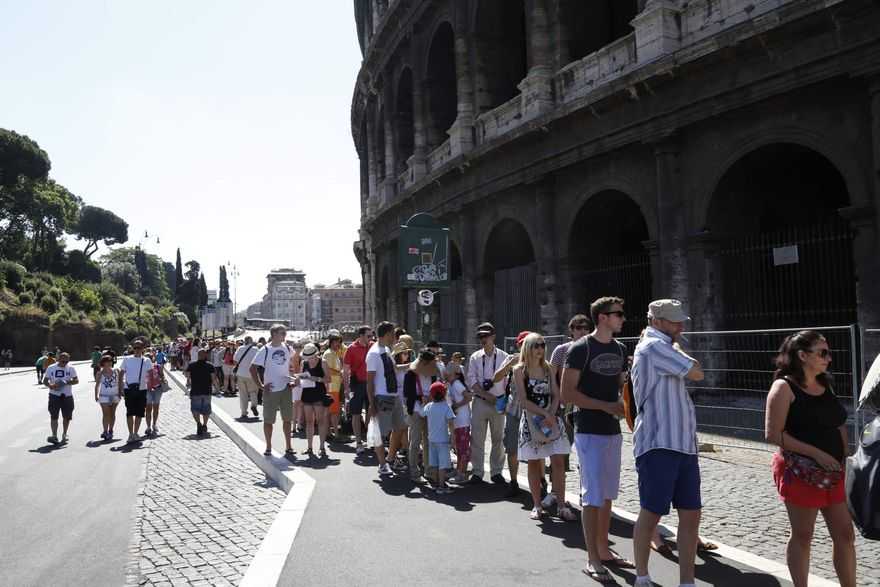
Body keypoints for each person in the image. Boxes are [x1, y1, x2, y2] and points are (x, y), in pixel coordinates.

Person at [765, 330, 856, 587]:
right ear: (802, 355)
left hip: (834, 471)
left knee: (845, 534)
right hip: (801, 472)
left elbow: (838, 422)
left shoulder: (826, 383)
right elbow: (773, 434)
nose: (828, 357)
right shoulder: (784, 387)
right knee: (804, 535)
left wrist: (844, 454)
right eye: (822, 352)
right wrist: (817, 453)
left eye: (829, 352)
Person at [630, 299, 705, 587]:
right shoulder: (654, 347)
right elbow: (697, 371)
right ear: (656, 321)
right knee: (651, 511)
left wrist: (675, 342)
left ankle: (687, 581)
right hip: (659, 442)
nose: (681, 326)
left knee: (691, 513)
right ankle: (642, 576)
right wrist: (677, 345)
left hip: (682, 443)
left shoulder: (662, 344)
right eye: (675, 321)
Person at [561, 297, 634, 581]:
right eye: (618, 314)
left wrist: (625, 398)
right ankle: (592, 558)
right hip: (588, 428)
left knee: (607, 495)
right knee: (591, 496)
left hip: (612, 430)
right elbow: (568, 394)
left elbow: (620, 386)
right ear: (602, 317)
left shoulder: (620, 348)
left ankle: (604, 550)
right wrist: (605, 406)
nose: (623, 318)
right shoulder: (581, 349)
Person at [513, 333, 574, 521]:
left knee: (558, 462)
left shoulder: (548, 368)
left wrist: (552, 413)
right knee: (533, 462)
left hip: (551, 419)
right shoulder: (519, 370)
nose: (540, 349)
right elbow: (523, 400)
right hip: (532, 420)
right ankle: (537, 505)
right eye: (536, 345)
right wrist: (545, 414)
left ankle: (561, 505)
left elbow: (556, 394)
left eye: (542, 345)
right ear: (528, 348)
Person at [465, 322, 509, 485]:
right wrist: (485, 395)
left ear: (493, 336)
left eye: (485, 335)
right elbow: (472, 380)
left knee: (498, 438)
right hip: (481, 401)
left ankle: (496, 471)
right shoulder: (475, 357)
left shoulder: (504, 356)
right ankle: (477, 471)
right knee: (477, 438)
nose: (483, 339)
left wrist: (503, 400)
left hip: (498, 401)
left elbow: (508, 380)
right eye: (480, 336)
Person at [366, 321, 407, 476]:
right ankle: (383, 464)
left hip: (393, 396)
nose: (394, 337)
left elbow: (395, 369)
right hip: (382, 397)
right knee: (379, 434)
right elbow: (369, 381)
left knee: (400, 427)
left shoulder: (386, 350)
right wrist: (372, 404)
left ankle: (390, 458)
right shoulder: (374, 353)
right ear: (387, 334)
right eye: (392, 334)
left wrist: (412, 365)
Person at [493, 331, 530, 497]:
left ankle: (541, 480)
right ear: (518, 345)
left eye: (527, 344)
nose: (524, 347)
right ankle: (513, 481)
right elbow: (496, 378)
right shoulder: (511, 358)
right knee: (512, 448)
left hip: (532, 411)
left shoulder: (539, 361)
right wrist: (510, 365)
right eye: (522, 344)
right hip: (514, 410)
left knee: (537, 449)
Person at [250, 324, 296, 457]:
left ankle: (288, 446)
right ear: (274, 334)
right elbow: (252, 368)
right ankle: (269, 446)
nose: (285, 335)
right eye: (282, 333)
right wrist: (261, 385)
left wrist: (292, 375)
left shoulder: (288, 347)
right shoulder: (265, 349)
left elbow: (291, 364)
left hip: (286, 387)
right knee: (268, 420)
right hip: (271, 390)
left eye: (285, 333)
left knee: (287, 419)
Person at [404, 349, 441, 482]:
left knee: (428, 441)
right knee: (415, 440)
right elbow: (407, 392)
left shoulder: (432, 374)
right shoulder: (411, 373)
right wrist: (420, 397)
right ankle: (414, 471)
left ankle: (429, 470)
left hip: (429, 410)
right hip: (415, 410)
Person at [344, 325, 373, 454]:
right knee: (355, 413)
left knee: (371, 411)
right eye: (368, 336)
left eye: (372, 336)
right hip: (357, 384)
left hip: (371, 384)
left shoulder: (373, 346)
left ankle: (368, 435)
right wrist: (346, 388)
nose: (371, 338)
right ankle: (358, 441)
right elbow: (345, 371)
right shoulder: (351, 349)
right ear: (361, 336)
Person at [423, 381, 456, 493]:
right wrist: (453, 438)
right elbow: (451, 423)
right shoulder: (446, 407)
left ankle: (437, 484)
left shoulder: (428, 407)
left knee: (436, 464)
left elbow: (422, 414)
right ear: (444, 394)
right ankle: (442, 486)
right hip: (443, 440)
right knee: (443, 465)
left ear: (431, 395)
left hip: (431, 439)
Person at [119, 340, 153, 444]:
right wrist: (120, 388)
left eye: (139, 347)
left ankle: (136, 433)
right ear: (133, 348)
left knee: (139, 412)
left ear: (143, 349)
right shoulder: (127, 359)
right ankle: (130, 434)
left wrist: (150, 387)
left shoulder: (147, 360)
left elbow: (150, 375)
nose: (137, 350)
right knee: (129, 413)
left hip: (142, 389)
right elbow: (121, 374)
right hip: (128, 389)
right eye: (135, 347)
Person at [299, 343, 330, 458]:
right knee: (309, 422)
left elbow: (329, 379)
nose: (310, 360)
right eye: (307, 358)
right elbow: (301, 378)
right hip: (307, 393)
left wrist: (316, 378)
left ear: (316, 354)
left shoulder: (323, 362)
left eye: (311, 357)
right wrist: (296, 381)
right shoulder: (304, 363)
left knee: (320, 421)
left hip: (319, 393)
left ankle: (322, 447)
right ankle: (309, 447)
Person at [43, 351, 78, 444]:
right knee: (54, 415)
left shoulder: (71, 368)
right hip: (54, 395)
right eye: (63, 361)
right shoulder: (51, 368)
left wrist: (66, 382)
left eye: (66, 361)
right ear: (58, 359)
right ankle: (54, 435)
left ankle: (64, 433)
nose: (65, 363)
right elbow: (45, 380)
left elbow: (76, 380)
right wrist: (51, 385)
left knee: (67, 416)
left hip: (67, 395)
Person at [446, 362, 472, 484]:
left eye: (449, 373)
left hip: (462, 420)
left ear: (456, 375)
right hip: (459, 420)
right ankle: (459, 471)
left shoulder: (456, 384)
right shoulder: (452, 383)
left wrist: (457, 405)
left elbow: (468, 397)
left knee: (462, 448)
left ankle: (461, 473)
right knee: (459, 447)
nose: (446, 375)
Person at [186, 348, 218, 437]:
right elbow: (213, 378)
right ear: (205, 355)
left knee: (195, 409)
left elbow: (187, 376)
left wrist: (189, 382)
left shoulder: (191, 365)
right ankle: (204, 424)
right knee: (206, 409)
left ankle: (198, 423)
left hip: (195, 390)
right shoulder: (210, 366)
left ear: (198, 355)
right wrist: (217, 387)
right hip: (207, 390)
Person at [323, 333, 344, 439]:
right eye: (336, 342)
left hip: (335, 386)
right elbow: (328, 369)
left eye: (339, 342)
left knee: (331, 412)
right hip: (332, 386)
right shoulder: (329, 354)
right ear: (330, 342)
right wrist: (340, 372)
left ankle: (329, 433)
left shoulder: (334, 353)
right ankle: (336, 434)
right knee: (334, 412)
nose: (338, 344)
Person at [94, 355, 120, 440]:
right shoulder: (99, 373)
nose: (109, 363)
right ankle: (105, 431)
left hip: (115, 395)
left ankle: (111, 430)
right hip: (104, 396)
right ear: (103, 363)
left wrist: (120, 392)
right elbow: (97, 385)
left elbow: (120, 383)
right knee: (106, 414)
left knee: (112, 414)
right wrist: (96, 395)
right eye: (106, 361)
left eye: (110, 361)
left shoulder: (116, 371)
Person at [234, 336, 260, 419]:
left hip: (241, 373)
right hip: (252, 374)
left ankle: (244, 412)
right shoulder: (256, 349)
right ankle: (254, 405)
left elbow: (235, 360)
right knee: (253, 391)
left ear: (245, 341)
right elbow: (259, 362)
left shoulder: (240, 348)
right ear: (251, 341)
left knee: (243, 394)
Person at [144, 352, 165, 438]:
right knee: (148, 409)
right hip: (147, 390)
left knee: (156, 408)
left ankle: (154, 424)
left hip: (157, 389)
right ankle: (148, 427)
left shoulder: (158, 366)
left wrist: (162, 379)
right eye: (147, 357)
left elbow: (162, 376)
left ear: (153, 358)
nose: (149, 359)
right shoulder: (142, 368)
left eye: (150, 357)